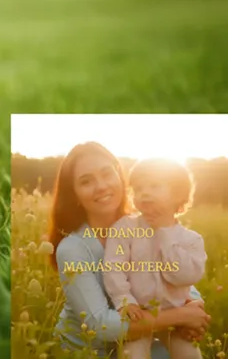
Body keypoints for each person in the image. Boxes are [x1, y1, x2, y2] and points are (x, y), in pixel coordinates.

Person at [47, 143, 210, 356]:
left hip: (142, 335)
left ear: (120, 177)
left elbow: (174, 277)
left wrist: (194, 304)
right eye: (86, 181)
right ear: (75, 194)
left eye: (107, 174)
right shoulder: (73, 249)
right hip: (89, 351)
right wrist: (181, 316)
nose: (101, 186)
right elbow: (99, 325)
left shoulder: (147, 224)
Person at [102, 158, 206, 359]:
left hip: (176, 319)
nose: (145, 193)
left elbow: (184, 277)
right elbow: (113, 268)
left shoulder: (191, 240)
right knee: (133, 355)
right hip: (139, 315)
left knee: (190, 355)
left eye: (154, 186)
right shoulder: (124, 229)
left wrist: (164, 232)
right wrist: (124, 301)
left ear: (178, 195)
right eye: (139, 188)